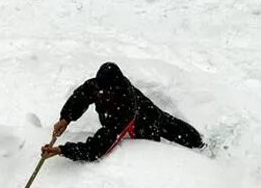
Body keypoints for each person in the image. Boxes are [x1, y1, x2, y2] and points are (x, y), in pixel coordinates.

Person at [41, 62, 204, 161]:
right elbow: (81, 97)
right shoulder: (98, 85)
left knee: (167, 130)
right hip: (134, 113)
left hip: (145, 121)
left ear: (116, 89)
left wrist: (63, 150)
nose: (100, 93)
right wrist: (66, 118)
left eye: (106, 91)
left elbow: (99, 148)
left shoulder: (124, 108)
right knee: (168, 124)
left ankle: (200, 145)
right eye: (99, 89)